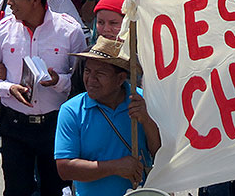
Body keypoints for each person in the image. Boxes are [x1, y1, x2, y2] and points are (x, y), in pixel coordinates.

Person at [0, 0, 87, 196]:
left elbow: (81, 83)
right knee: (16, 191)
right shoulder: (3, 30)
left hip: (57, 125)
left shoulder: (70, 31)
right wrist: (7, 88)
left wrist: (59, 81)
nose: (9, 3)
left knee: (57, 190)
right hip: (14, 126)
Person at [55, 36, 161, 196]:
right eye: (87, 71)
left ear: (120, 79)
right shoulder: (71, 110)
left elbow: (160, 152)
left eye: (100, 73)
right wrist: (115, 167)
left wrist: (146, 120)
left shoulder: (143, 101)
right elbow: (65, 168)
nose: (90, 79)